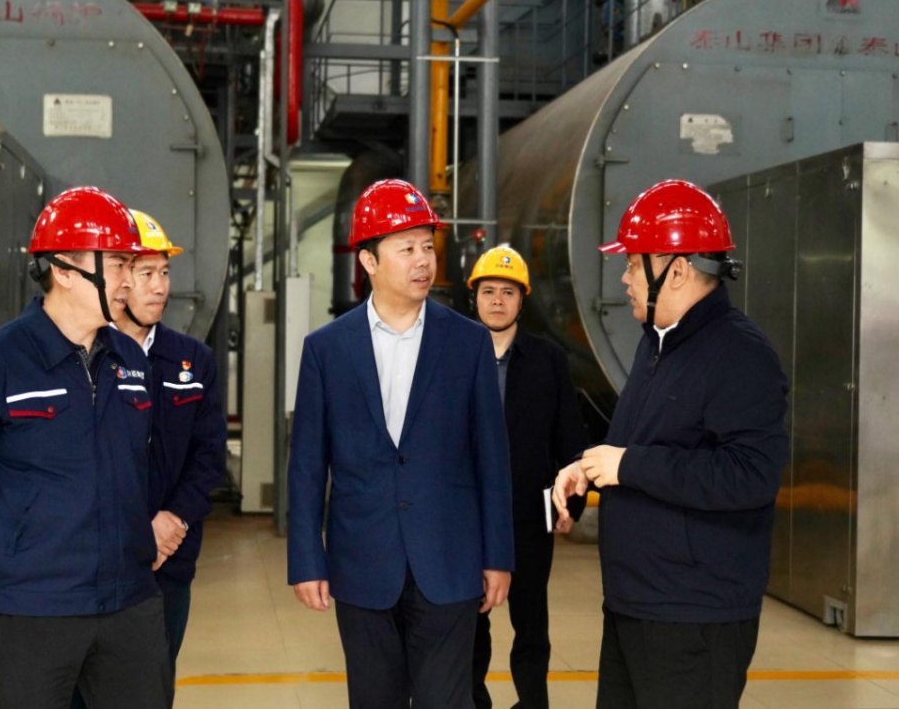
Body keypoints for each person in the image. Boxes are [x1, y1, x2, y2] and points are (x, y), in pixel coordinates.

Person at [551, 180, 789, 709]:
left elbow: (751, 475)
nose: (625, 277)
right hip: (637, 603)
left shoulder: (739, 354)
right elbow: (646, 444)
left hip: (694, 618)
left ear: (676, 270)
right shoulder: (657, 344)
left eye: (633, 264)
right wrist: (588, 467)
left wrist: (630, 466)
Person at [0, 187, 171, 709]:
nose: (129, 280)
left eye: (131, 264)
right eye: (117, 264)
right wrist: (19, 551)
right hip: (32, 608)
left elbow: (141, 468)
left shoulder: (131, 361)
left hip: (129, 602)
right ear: (64, 270)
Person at [287, 178, 515, 709]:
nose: (423, 261)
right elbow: (307, 465)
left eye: (427, 247)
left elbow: (492, 459)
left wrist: (498, 555)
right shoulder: (326, 349)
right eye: (406, 248)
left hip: (450, 560)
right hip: (362, 562)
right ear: (368, 260)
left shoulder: (468, 342)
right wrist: (306, 558)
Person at [467, 245, 587, 709]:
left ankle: (533, 703)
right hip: (467, 515)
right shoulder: (454, 355)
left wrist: (569, 505)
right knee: (469, 623)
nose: (498, 300)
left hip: (528, 516)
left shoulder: (547, 359)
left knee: (531, 624)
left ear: (523, 300)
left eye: (508, 292)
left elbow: (568, 435)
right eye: (489, 291)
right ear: (474, 297)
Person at [114, 209, 227, 690]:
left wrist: (172, 520)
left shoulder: (193, 360)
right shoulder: (90, 356)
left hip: (169, 559)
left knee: (153, 684)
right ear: (117, 277)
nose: (160, 287)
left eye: (164, 273)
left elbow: (209, 456)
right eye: (146, 274)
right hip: (102, 559)